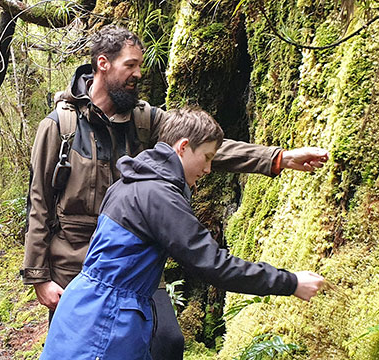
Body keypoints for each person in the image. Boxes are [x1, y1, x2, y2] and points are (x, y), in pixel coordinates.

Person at [21, 25, 329, 359]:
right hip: (74, 264)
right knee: (80, 343)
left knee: (167, 340)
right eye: (131, 65)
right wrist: (39, 276)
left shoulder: (144, 119)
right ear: (103, 63)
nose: (139, 73)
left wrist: (277, 158)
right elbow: (39, 202)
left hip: (142, 260)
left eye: (140, 66)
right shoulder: (60, 126)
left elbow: (202, 145)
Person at [39, 107, 326, 360]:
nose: (209, 168)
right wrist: (290, 282)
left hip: (84, 311)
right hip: (107, 323)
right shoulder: (159, 195)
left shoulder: (130, 182)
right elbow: (213, 265)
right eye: (207, 157)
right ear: (184, 147)